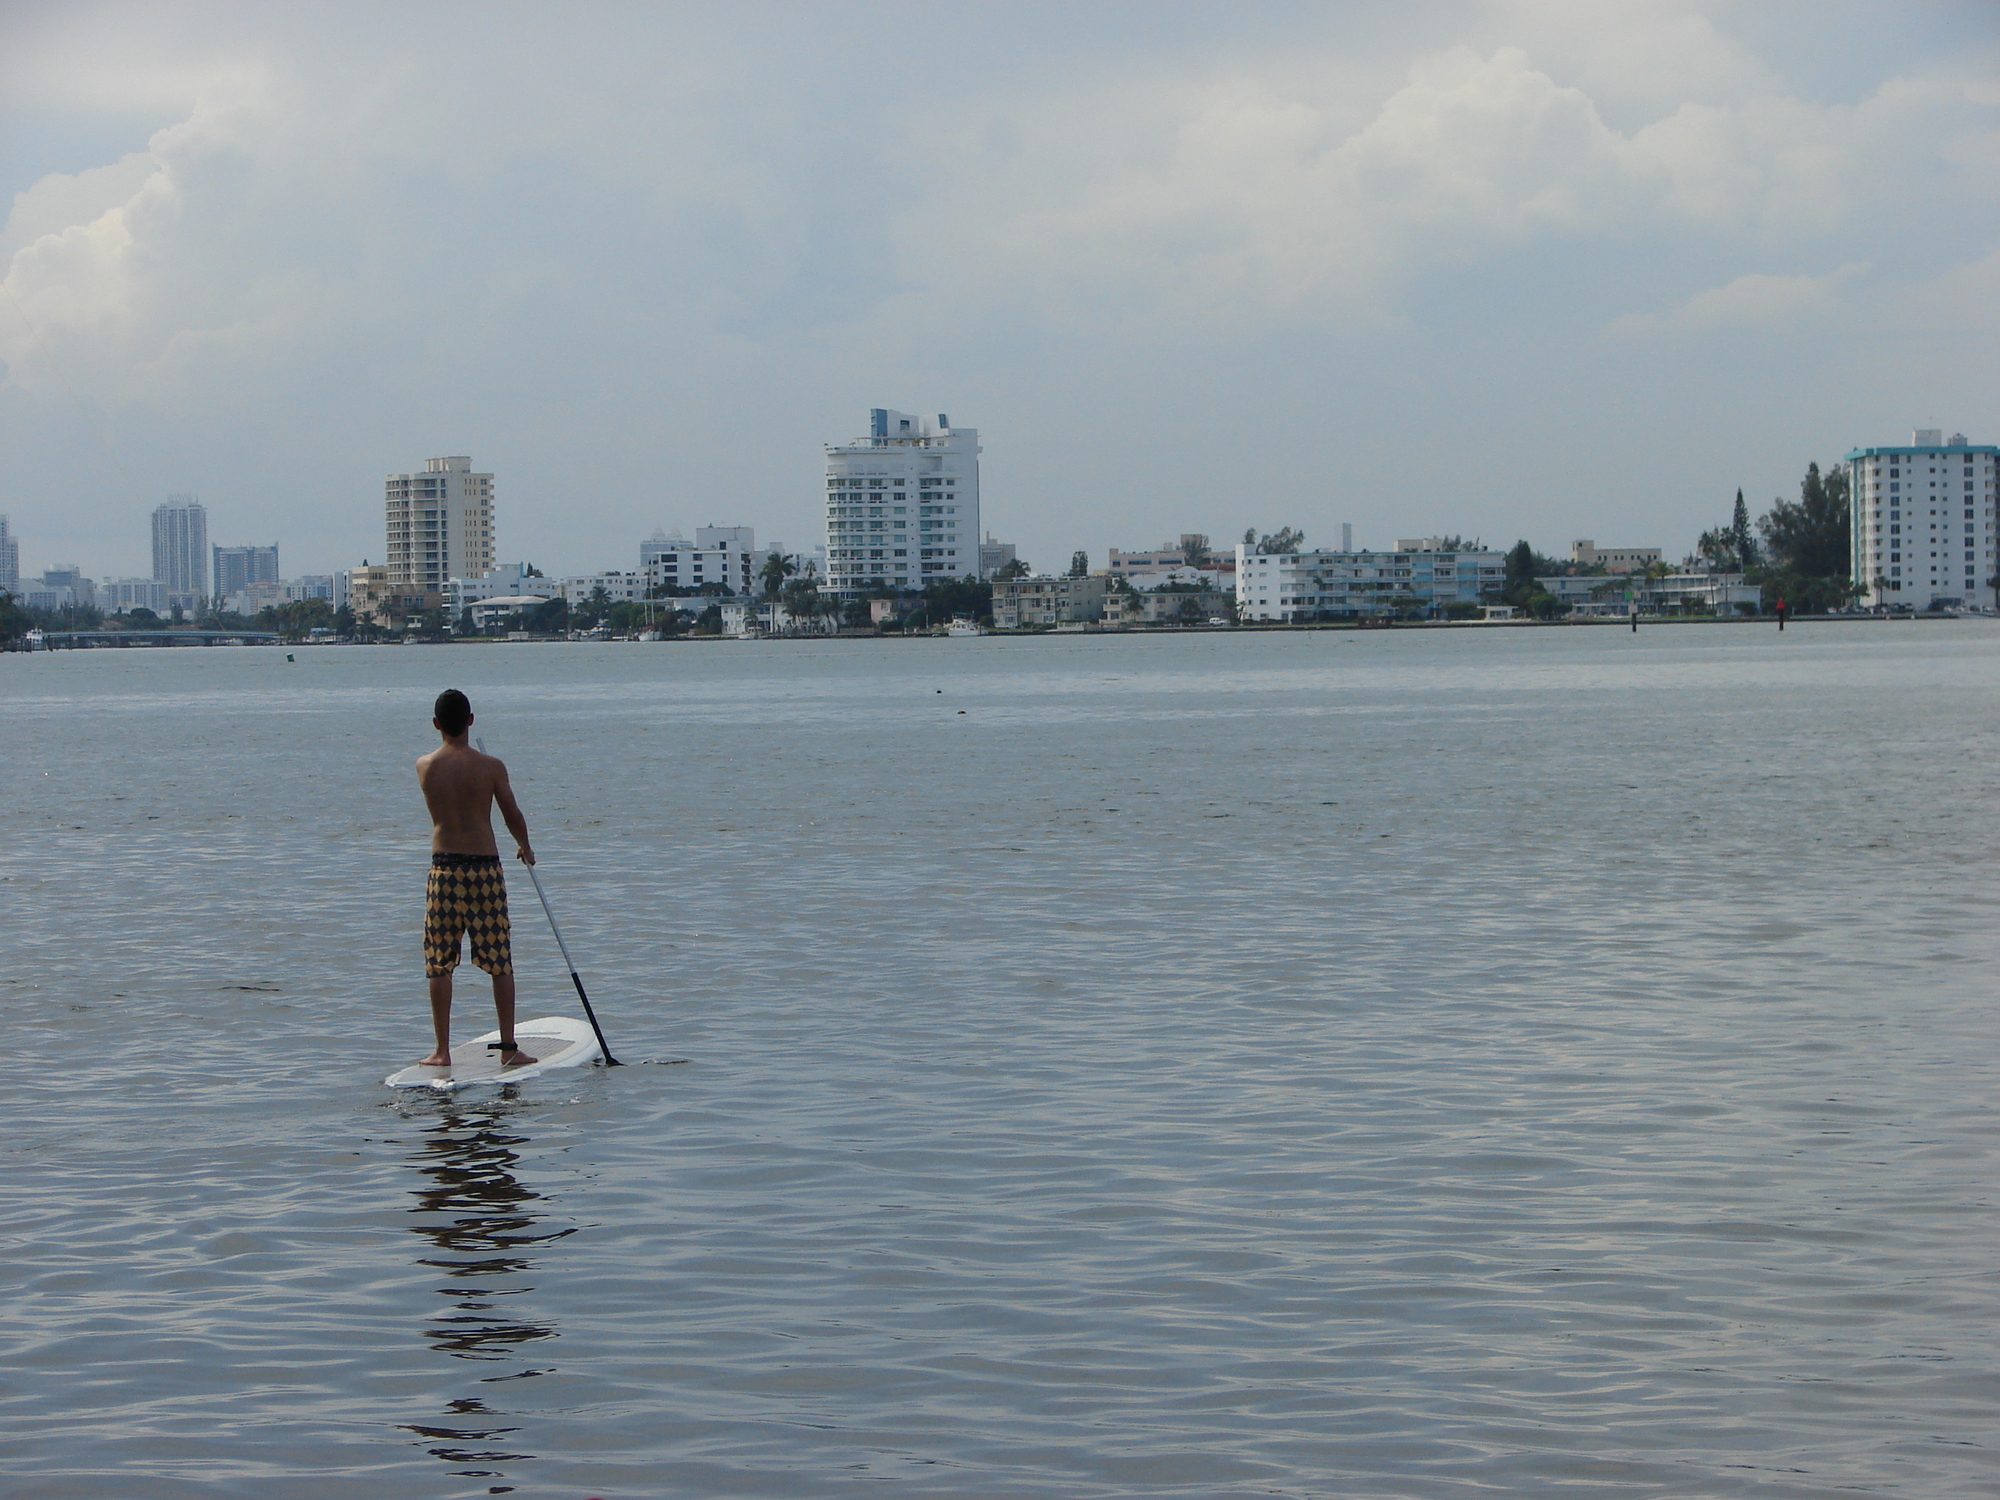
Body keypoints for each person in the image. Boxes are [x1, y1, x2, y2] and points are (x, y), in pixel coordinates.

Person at [414, 689, 537, 1068]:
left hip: (444, 869)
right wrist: (525, 847)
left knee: (439, 961)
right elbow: (512, 814)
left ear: (436, 724)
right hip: (484, 869)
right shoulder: (492, 767)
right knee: (499, 958)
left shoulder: (425, 766)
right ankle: (509, 1048)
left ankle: (442, 1051)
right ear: (471, 720)